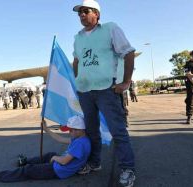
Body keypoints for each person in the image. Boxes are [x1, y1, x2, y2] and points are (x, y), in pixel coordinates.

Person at [72, 1, 136, 186]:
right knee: (91, 130)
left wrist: (125, 82)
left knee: (118, 131)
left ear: (97, 14)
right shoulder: (78, 38)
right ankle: (94, 162)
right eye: (79, 13)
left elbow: (129, 52)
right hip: (85, 91)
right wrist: (78, 80)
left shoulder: (110, 29)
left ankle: (128, 168)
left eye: (85, 11)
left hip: (106, 89)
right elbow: (76, 61)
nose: (82, 15)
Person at [0, 115, 91, 182]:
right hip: (60, 166)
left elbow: (65, 161)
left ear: (79, 129)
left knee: (28, 170)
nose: (69, 132)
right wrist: (46, 129)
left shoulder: (80, 143)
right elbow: (60, 139)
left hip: (59, 170)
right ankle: (25, 161)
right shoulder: (81, 139)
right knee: (49, 155)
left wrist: (56, 158)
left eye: (71, 130)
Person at [184, 49, 193, 124]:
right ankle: (189, 117)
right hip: (190, 84)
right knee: (191, 101)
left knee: (189, 100)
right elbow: (189, 75)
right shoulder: (188, 64)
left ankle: (187, 99)